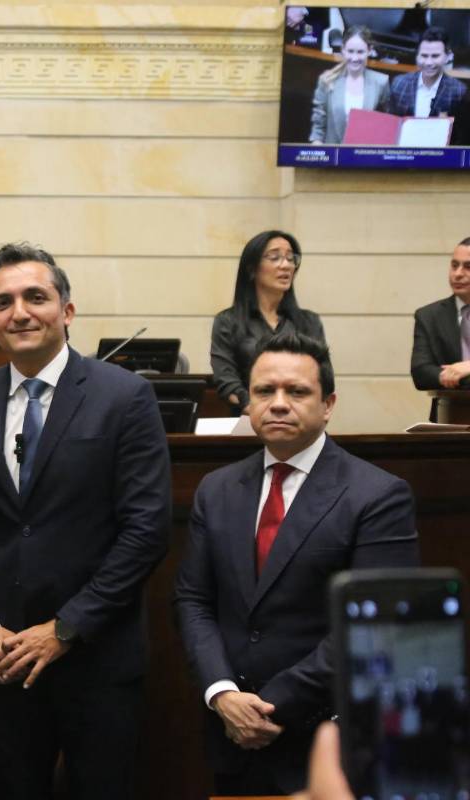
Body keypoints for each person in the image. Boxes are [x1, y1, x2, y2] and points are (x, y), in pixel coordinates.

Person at [0, 242, 171, 800]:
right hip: (4, 664)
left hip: (97, 660)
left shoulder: (124, 396)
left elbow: (145, 531)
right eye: (3, 303)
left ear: (66, 311)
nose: (20, 312)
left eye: (35, 297)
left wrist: (65, 629)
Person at [175, 332, 419, 795]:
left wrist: (265, 706)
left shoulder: (377, 495)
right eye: (265, 391)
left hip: (324, 736)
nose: (279, 404)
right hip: (230, 734)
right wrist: (221, 693)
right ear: (248, 402)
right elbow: (193, 599)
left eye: (297, 392)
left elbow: (373, 626)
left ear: (328, 404)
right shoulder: (217, 489)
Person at [210, 230, 326, 414]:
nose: (286, 265)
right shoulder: (228, 321)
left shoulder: (309, 322)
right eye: (275, 257)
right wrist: (260, 410)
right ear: (251, 269)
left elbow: (323, 377)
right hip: (249, 421)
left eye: (290, 258)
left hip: (300, 419)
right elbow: (227, 382)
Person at [309, 26, 390, 145]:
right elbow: (318, 129)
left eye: (360, 52)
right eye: (350, 51)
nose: (354, 58)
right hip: (332, 158)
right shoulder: (326, 80)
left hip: (364, 158)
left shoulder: (381, 82)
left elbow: (385, 127)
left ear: (369, 50)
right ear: (343, 50)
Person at [411, 237, 470, 394]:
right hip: (450, 411)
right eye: (454, 265)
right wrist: (458, 375)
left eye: (468, 267)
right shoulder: (428, 316)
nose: (458, 274)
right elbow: (421, 373)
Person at [389, 27, 467, 119]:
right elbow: (391, 124)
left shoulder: (458, 91)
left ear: (447, 56)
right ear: (417, 56)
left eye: (435, 56)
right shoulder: (399, 84)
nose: (428, 62)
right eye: (424, 56)